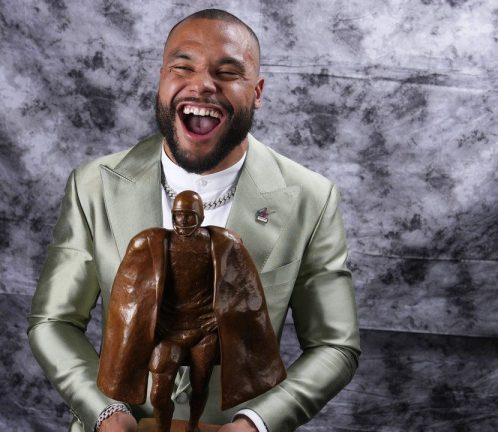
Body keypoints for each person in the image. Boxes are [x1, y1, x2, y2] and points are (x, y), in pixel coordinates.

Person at [27, 8, 360, 432]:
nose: (202, 84)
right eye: (183, 67)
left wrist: (256, 424)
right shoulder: (91, 185)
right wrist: (105, 413)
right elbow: (54, 321)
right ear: (162, 79)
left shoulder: (313, 198)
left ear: (257, 92)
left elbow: (335, 345)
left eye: (227, 72)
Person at [96, 190, 286, 432]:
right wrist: (154, 320)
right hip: (169, 332)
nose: (183, 222)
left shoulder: (221, 244)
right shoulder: (154, 243)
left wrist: (220, 316)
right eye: (178, 216)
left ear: (201, 216)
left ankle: (193, 427)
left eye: (189, 216)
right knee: (159, 392)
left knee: (200, 384)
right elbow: (129, 294)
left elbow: (244, 293)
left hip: (203, 331)